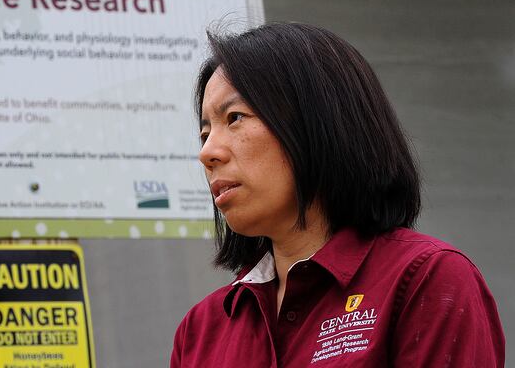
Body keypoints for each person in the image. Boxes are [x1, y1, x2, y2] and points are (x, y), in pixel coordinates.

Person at [170, 23, 505, 367]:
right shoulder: (199, 330)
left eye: (235, 117)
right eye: (204, 133)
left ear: (319, 122)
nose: (208, 152)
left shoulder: (425, 279)